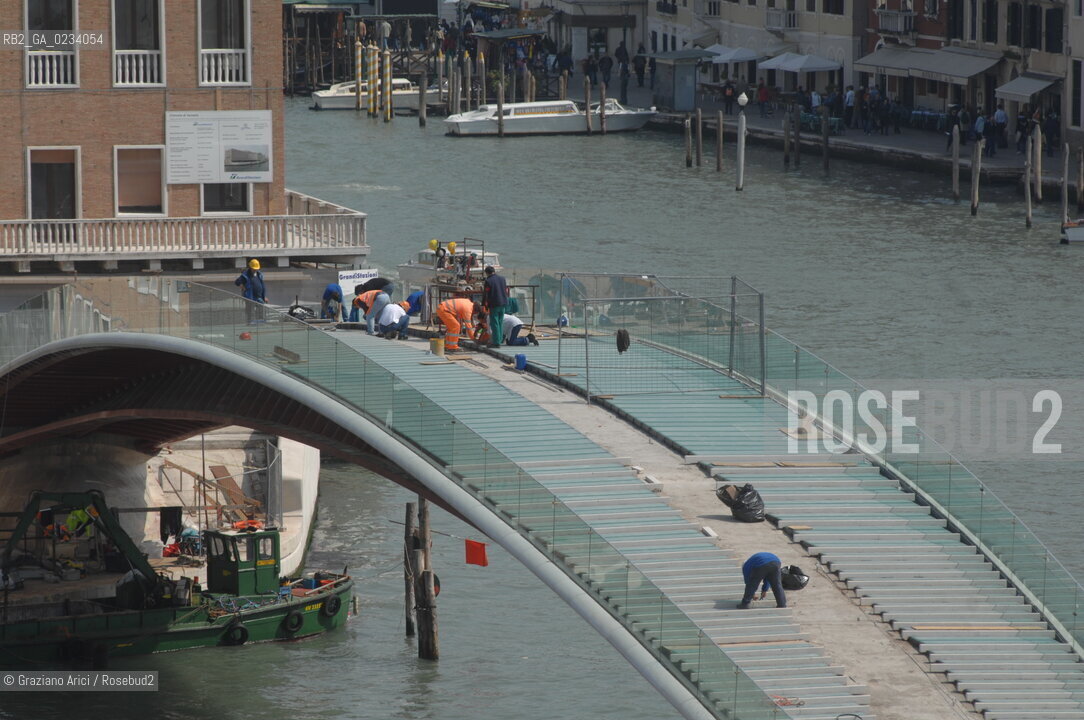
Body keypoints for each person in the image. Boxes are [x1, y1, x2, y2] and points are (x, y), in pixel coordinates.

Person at [482, 266, 509, 347]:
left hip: (494, 304)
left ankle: (496, 342)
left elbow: (486, 294)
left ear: (487, 273)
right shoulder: (502, 279)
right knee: (500, 322)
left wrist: (484, 304)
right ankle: (499, 340)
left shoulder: (488, 281)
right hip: (503, 303)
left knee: (495, 323)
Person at [235, 259, 267, 324]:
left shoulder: (259, 274)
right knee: (250, 312)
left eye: (256, 269)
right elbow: (237, 281)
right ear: (250, 267)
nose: (255, 270)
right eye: (254, 269)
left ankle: (260, 324)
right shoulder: (245, 275)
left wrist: (264, 297)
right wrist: (241, 285)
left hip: (259, 297)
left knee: (261, 311)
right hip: (250, 297)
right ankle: (250, 324)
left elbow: (262, 286)